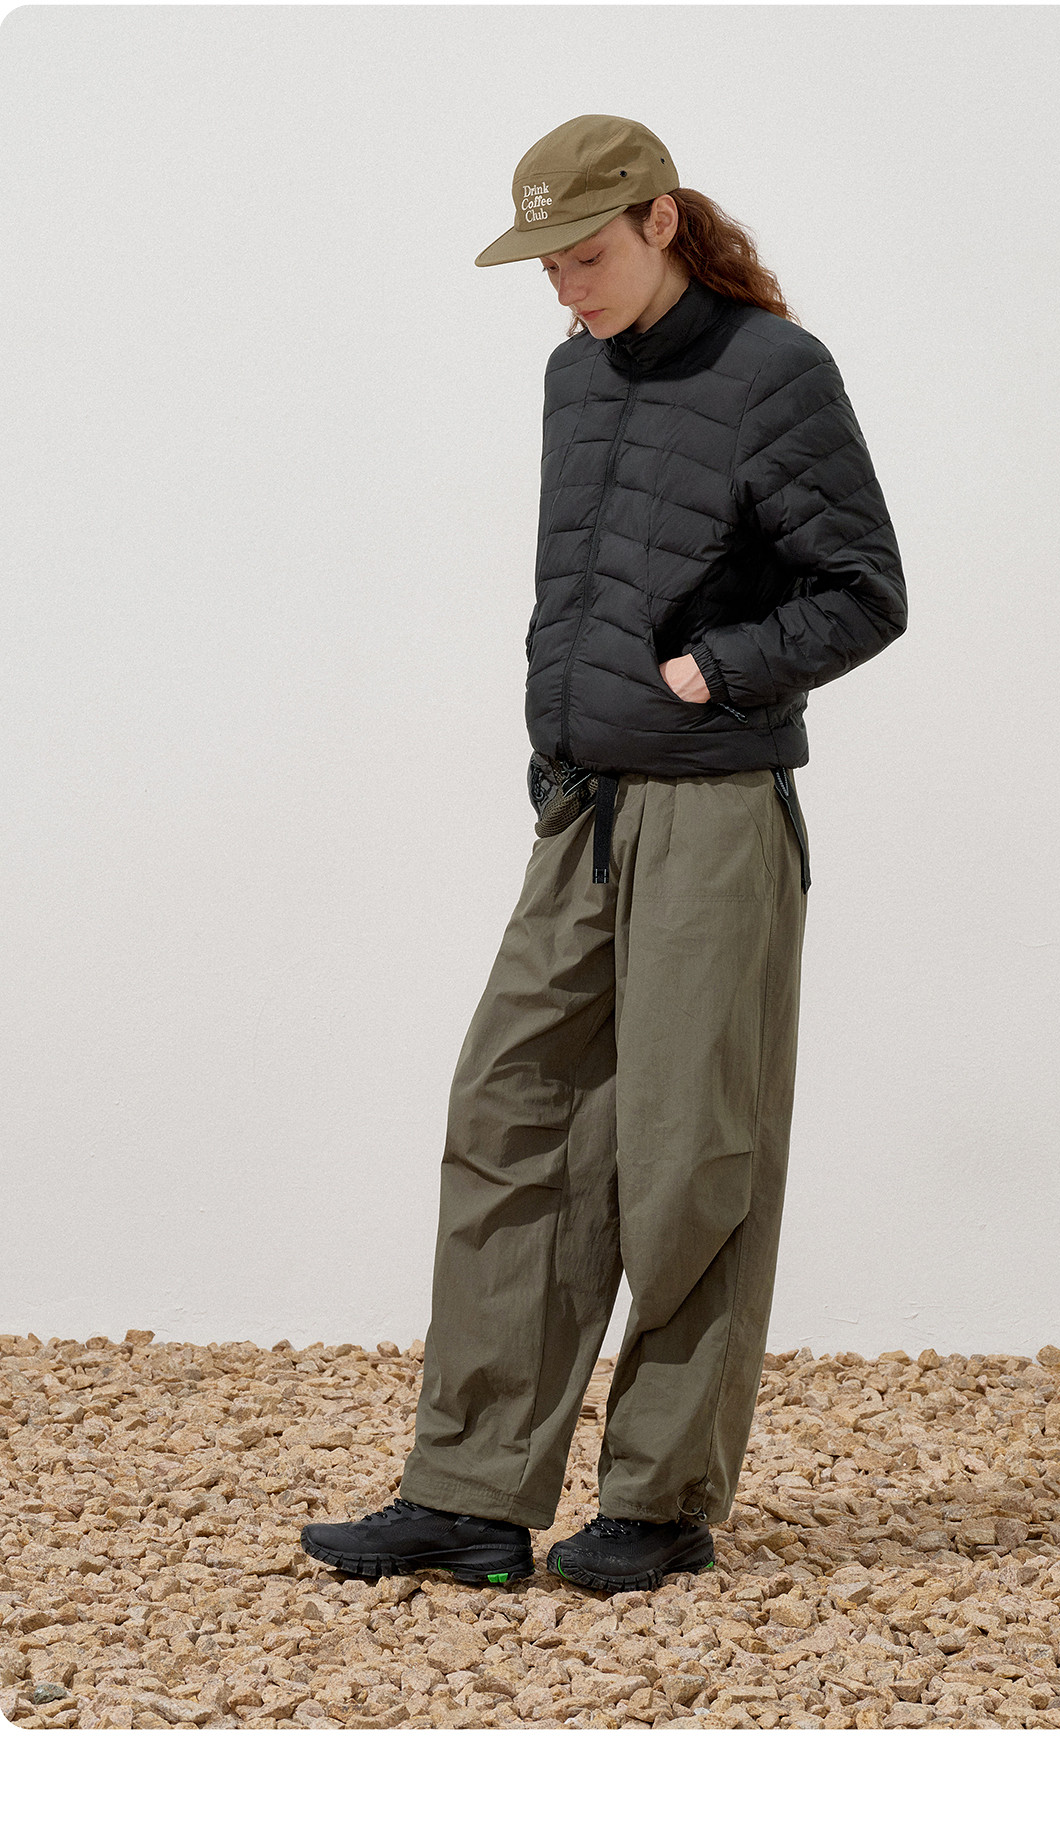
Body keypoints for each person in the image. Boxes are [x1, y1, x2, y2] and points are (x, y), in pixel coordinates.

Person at [302, 113, 907, 1594]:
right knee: (511, 1113)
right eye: (547, 267)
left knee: (691, 1154)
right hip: (583, 806)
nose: (566, 289)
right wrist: (557, 741)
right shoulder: (574, 376)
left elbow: (865, 589)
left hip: (713, 808)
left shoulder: (774, 370)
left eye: (585, 256)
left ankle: (661, 1498)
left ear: (660, 221)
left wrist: (721, 668)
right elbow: (576, 584)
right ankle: (470, 1494)